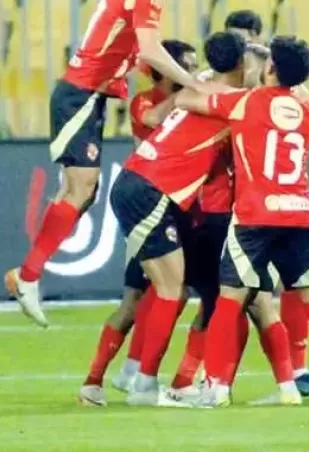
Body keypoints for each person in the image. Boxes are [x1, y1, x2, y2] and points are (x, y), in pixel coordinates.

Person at [5, 0, 222, 327]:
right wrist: (195, 83)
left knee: (83, 192)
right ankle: (28, 276)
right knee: (80, 189)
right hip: (80, 93)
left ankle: (29, 274)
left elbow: (130, 44)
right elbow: (151, 50)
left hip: (89, 94)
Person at [175, 36, 309, 408]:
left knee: (228, 301)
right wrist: (301, 94)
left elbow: (184, 101)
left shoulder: (245, 102)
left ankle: (216, 389)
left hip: (253, 219)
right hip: (297, 217)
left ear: (271, 68)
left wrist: (206, 80)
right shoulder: (305, 111)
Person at [99, 31, 247, 407]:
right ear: (242, 64)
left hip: (139, 181)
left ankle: (136, 378)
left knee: (169, 288)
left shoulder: (196, 89)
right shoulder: (236, 101)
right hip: (150, 187)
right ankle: (144, 386)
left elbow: (162, 110)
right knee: (169, 289)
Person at [78, 39, 196, 405]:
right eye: (185, 66)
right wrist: (191, 92)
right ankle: (102, 379)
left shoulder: (187, 102)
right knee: (137, 299)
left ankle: (130, 371)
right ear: (164, 70)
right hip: (148, 202)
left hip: (171, 205)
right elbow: (152, 120)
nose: (190, 73)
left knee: (170, 292)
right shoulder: (144, 101)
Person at [225, 9, 309, 400]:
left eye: (249, 44)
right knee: (234, 297)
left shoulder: (270, 95)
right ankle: (212, 379)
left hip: (260, 206)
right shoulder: (227, 84)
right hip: (227, 202)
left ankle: (291, 374)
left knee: (268, 291)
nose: (244, 52)